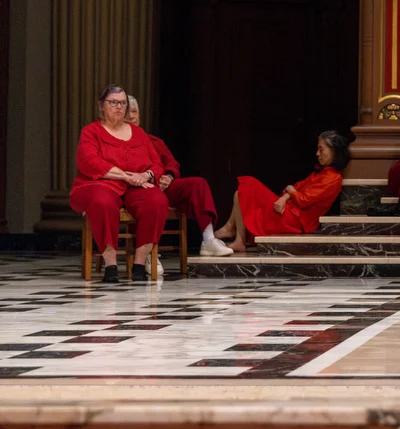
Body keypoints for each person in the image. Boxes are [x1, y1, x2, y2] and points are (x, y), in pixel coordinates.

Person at [70, 85, 171, 284]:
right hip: (103, 183)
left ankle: (139, 264)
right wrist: (125, 176)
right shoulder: (91, 131)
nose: (119, 107)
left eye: (123, 103)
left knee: (156, 200)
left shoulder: (138, 133)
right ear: (102, 105)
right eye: (114, 102)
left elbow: (157, 163)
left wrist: (147, 175)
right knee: (102, 201)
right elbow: (89, 161)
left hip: (136, 185)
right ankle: (111, 266)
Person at [125, 96, 233, 261]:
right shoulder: (121, 142)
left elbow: (172, 163)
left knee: (197, 184)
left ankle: (208, 239)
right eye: (127, 113)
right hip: (141, 189)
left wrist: (169, 176)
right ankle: (147, 254)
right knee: (144, 200)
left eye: (134, 112)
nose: (131, 116)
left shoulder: (154, 141)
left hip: (164, 187)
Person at [214, 132, 348, 251]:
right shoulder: (322, 173)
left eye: (321, 149)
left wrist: (290, 191)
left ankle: (231, 230)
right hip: (288, 211)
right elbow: (297, 187)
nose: (317, 154)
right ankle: (238, 238)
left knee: (249, 183)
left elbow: (303, 200)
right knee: (240, 193)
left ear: (334, 151)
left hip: (295, 220)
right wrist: (285, 197)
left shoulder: (333, 178)